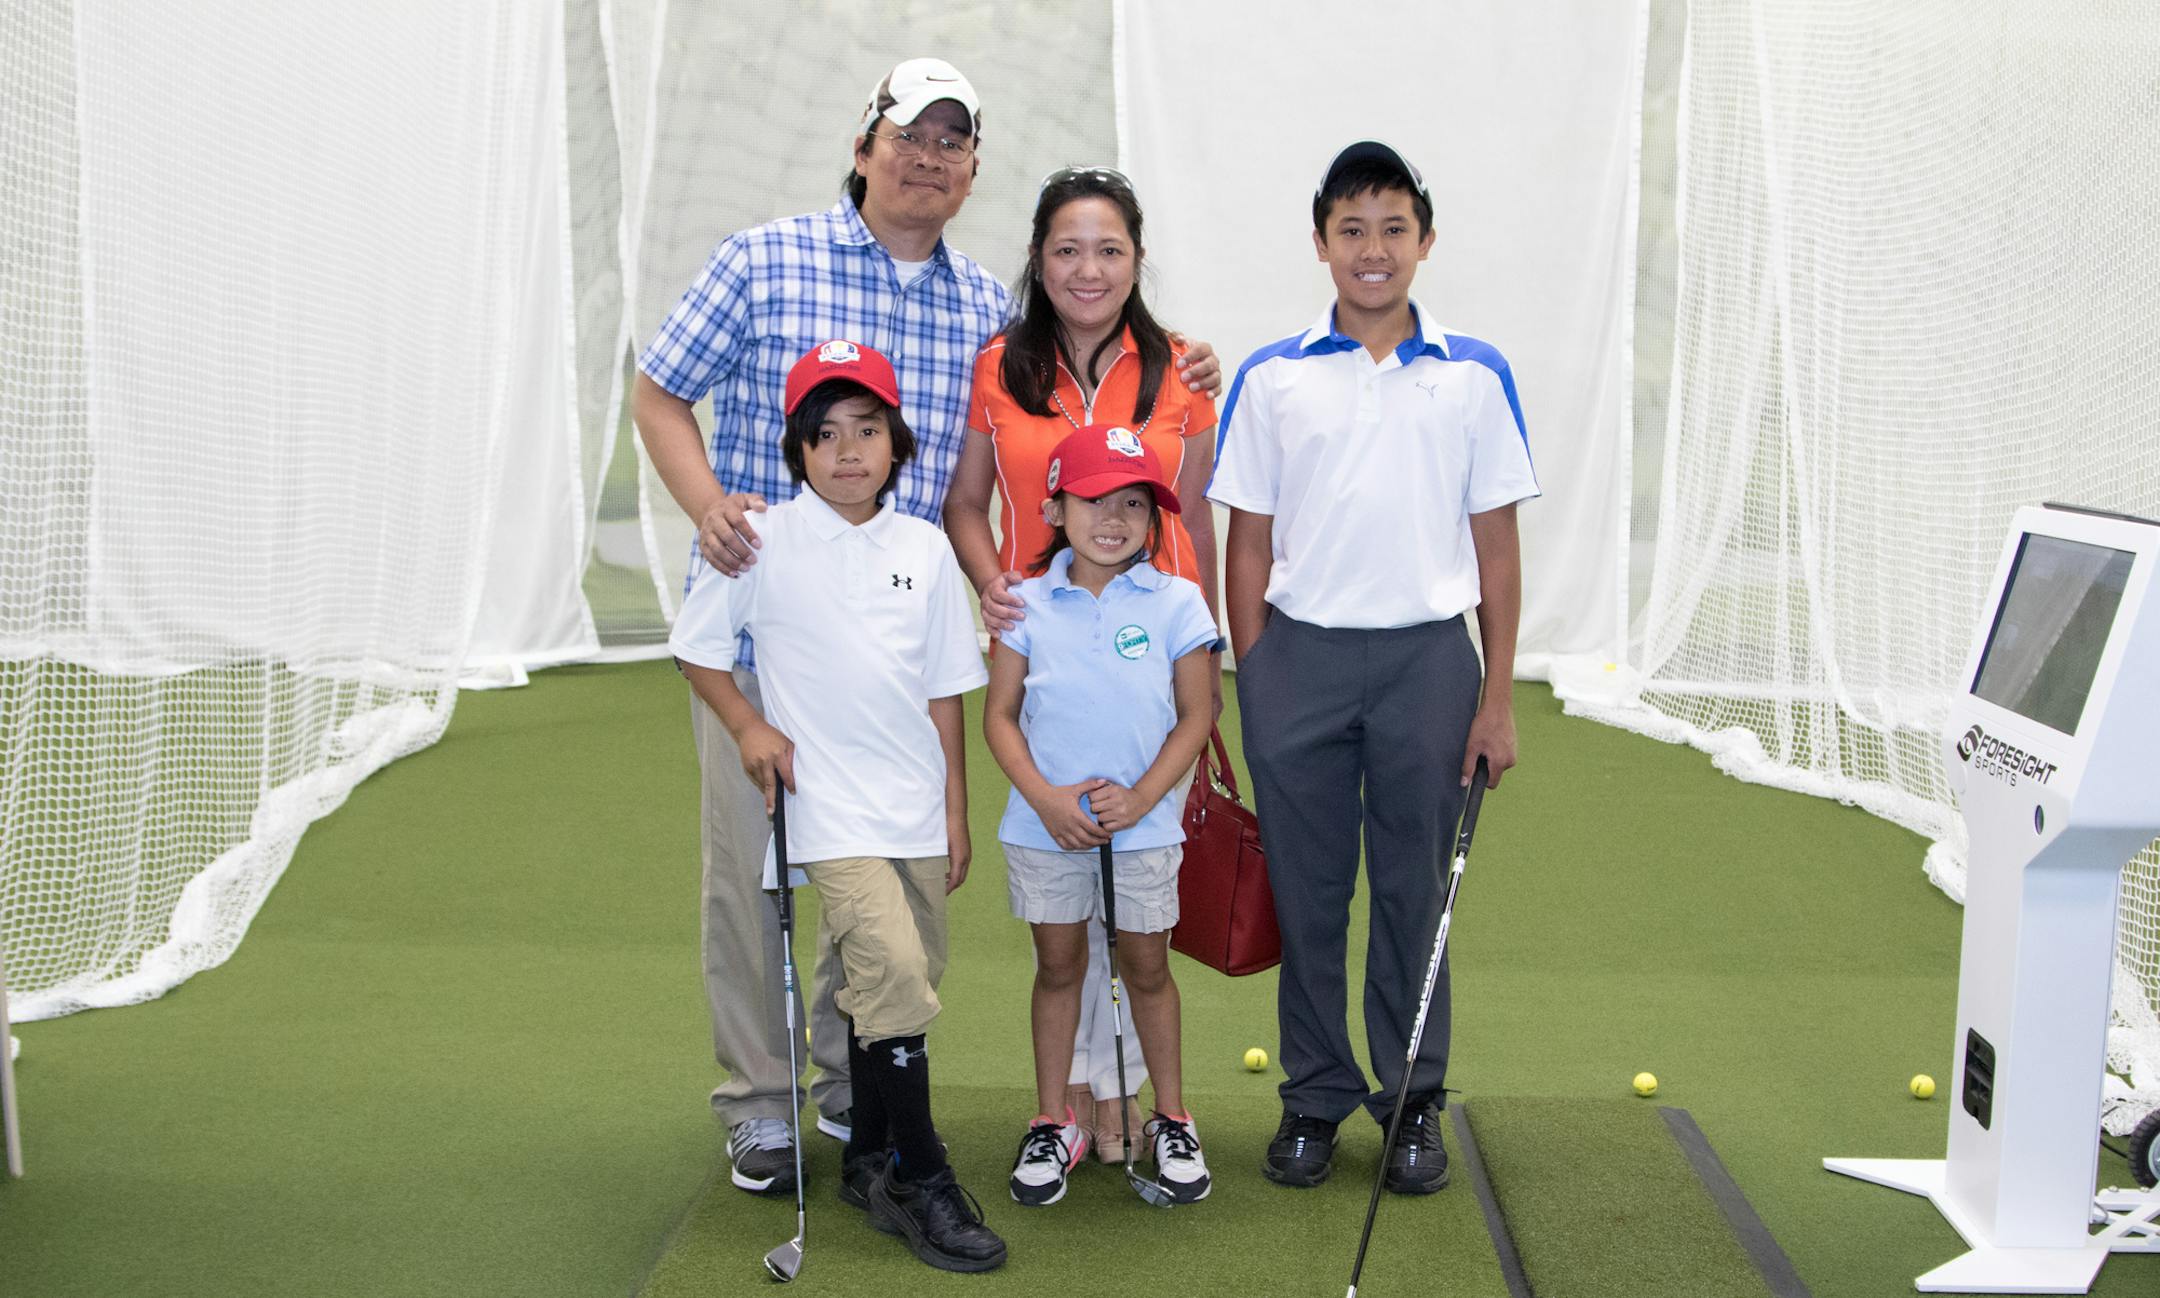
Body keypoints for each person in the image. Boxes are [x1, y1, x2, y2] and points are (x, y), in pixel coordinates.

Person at [632, 57, 1220, 1197]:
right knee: (753, 882)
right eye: (910, 135)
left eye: (952, 143)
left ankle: (860, 1089)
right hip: (762, 644)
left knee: (889, 886)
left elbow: (1054, 439)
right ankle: (759, 1104)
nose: (928, 156)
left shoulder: (984, 313)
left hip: (897, 647)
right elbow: (659, 390)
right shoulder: (765, 259)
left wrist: (1188, 361)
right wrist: (705, 502)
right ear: (866, 146)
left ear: (971, 173)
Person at [1207, 141, 1539, 1195]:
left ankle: (1409, 1100)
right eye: (1351, 228)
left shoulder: (1476, 374)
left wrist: (1495, 696)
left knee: (1410, 891)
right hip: (1298, 659)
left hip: (1428, 664)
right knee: (1307, 894)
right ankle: (1312, 1098)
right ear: (1320, 243)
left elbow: (1496, 550)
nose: (1374, 248)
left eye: (1394, 227)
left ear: (1426, 240)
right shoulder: (1273, 375)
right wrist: (1256, 675)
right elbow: (1247, 541)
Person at [668, 340, 1005, 1272]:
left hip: (913, 809)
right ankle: (921, 1175)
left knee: (902, 978)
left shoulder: (927, 549)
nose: (847, 450)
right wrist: (746, 728)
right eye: (825, 434)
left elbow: (945, 693)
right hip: (830, 813)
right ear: (798, 450)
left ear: (895, 444)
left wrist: (956, 813)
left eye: (867, 430)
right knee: (893, 972)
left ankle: (863, 1155)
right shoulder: (762, 540)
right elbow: (699, 648)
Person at [944, 166, 1219, 1161]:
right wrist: (994, 586)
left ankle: (1127, 1096)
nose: (1088, 268)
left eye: (1109, 248)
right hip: (1048, 641)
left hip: (1153, 656)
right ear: (1036, 257)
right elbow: (968, 505)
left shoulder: (1184, 367)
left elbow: (1203, 515)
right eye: (1067, 248)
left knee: (1137, 904)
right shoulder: (999, 367)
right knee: (1064, 916)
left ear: (1138, 258)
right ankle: (1083, 1099)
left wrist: (1210, 655)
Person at [983, 425, 1219, 1206]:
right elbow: (1001, 717)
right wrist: (1047, 800)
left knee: (1148, 969)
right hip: (1044, 830)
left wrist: (1146, 795)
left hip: (1145, 830)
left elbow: (1199, 712)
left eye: (1133, 503)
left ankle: (1172, 1118)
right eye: (1093, 500)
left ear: (1154, 520)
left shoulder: (1178, 600)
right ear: (1054, 505)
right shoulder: (1023, 600)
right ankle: (1055, 1121)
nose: (1113, 517)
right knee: (1058, 968)